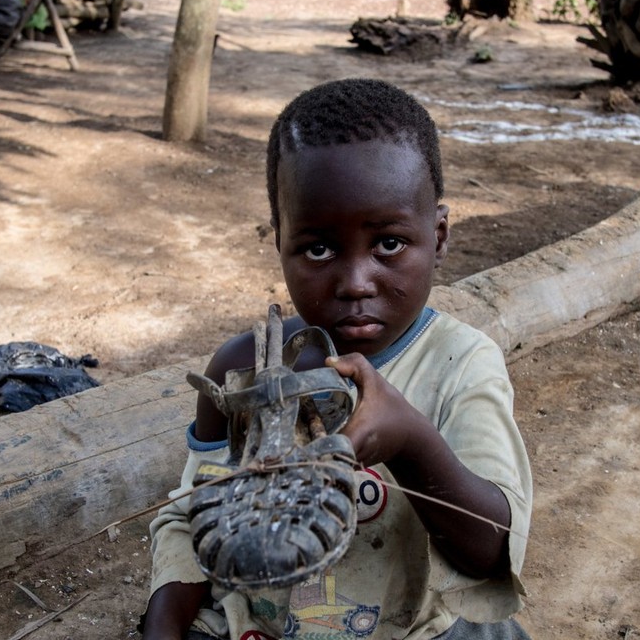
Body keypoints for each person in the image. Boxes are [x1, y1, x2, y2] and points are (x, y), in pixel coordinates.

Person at [143, 78, 533, 640]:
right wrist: (162, 625)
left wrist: (412, 443)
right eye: (318, 248)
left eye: (389, 244)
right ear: (280, 241)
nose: (355, 283)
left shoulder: (460, 363)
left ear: (440, 236)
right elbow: (192, 518)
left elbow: (490, 552)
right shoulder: (240, 369)